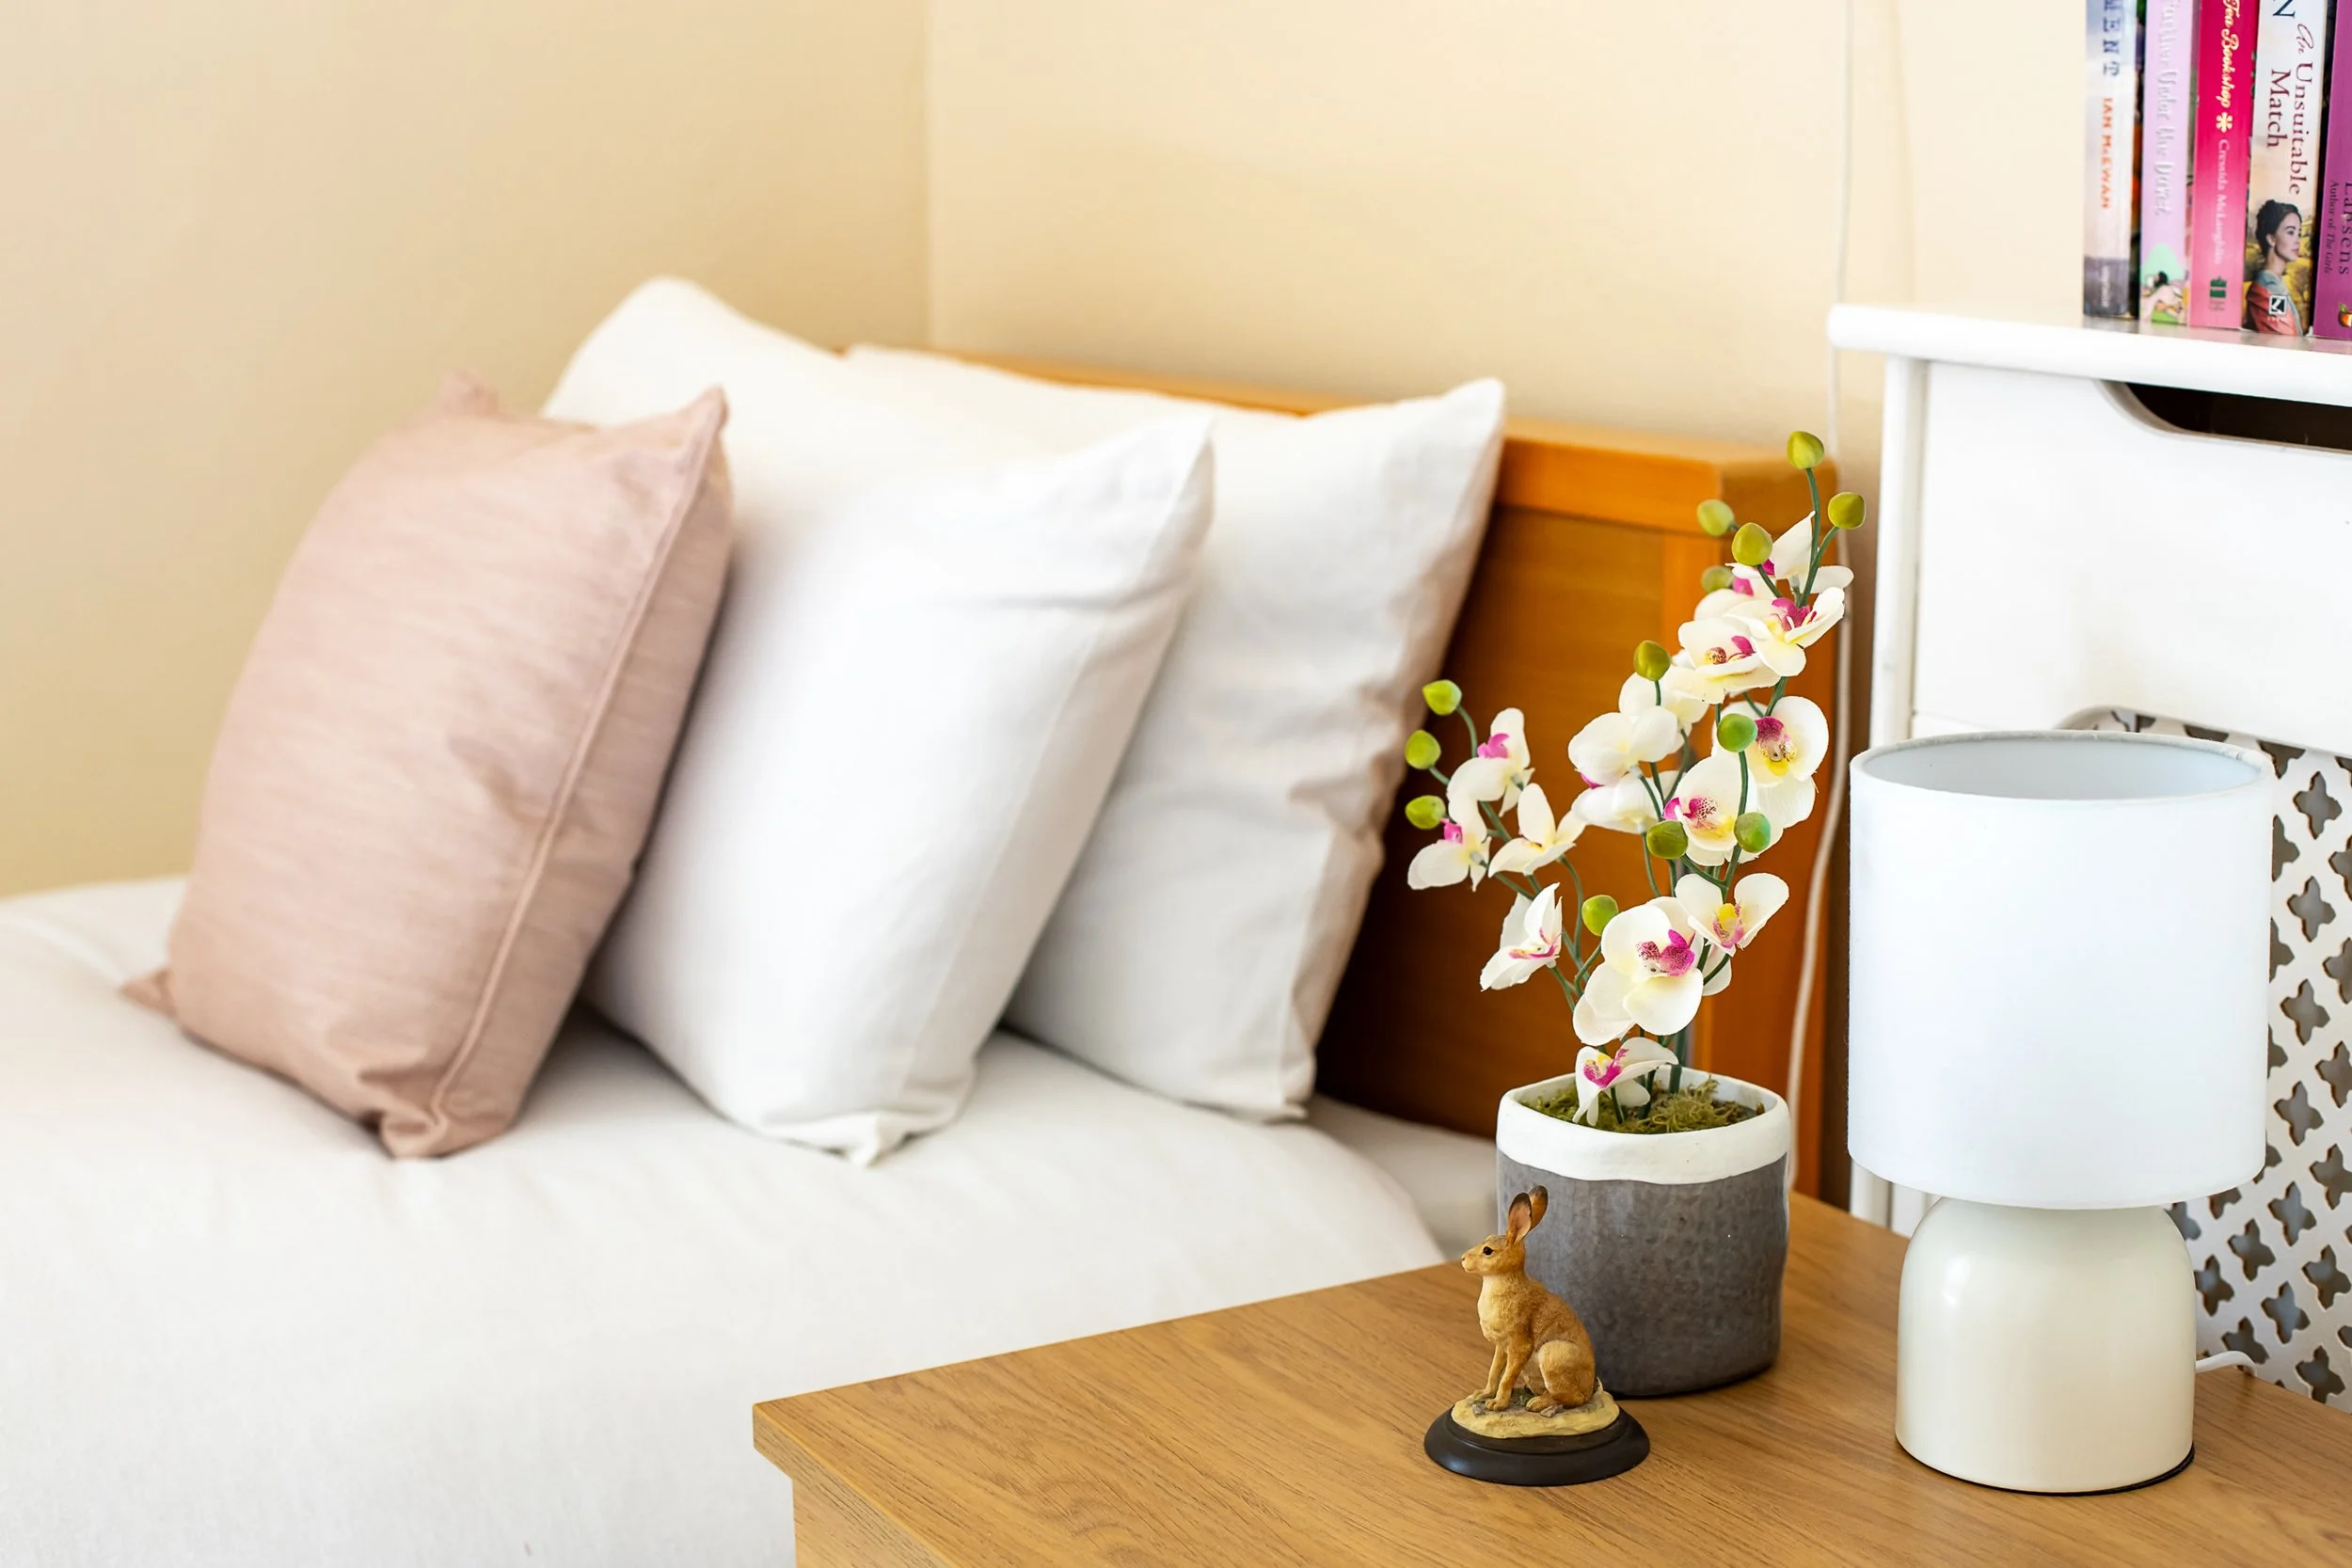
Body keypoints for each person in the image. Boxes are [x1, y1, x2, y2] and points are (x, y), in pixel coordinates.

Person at [2246, 199, 2306, 335]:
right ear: (2271, 239)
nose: (2297, 240)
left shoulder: (2277, 284)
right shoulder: (2266, 289)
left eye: (2299, 234)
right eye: (2291, 232)